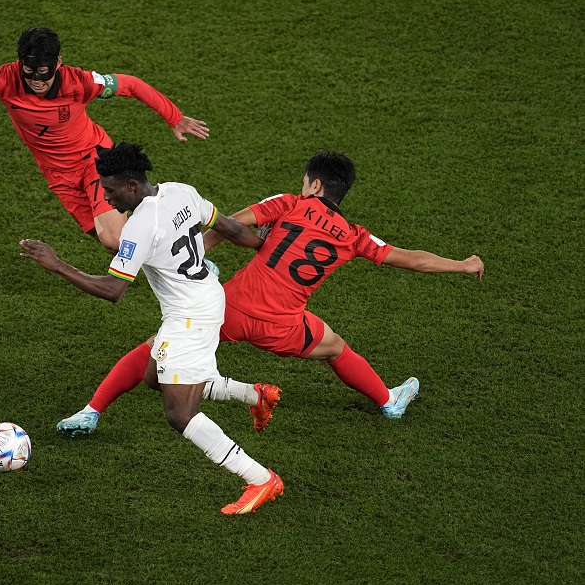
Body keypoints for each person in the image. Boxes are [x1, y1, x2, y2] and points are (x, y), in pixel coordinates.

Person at [56, 150, 486, 435]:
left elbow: (230, 223)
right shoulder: (353, 236)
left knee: (155, 349)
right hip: (285, 326)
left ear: (314, 185)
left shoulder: (289, 203)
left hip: (230, 308)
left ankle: (92, 411)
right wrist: (462, 265)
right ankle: (389, 400)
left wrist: (199, 254)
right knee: (336, 347)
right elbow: (411, 259)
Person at [20, 142, 283, 515]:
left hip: (189, 317)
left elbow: (113, 290)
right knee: (153, 376)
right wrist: (262, 247)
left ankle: (259, 478)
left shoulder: (139, 226)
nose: (106, 199)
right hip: (206, 297)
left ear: (131, 185)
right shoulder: (180, 191)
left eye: (110, 190)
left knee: (180, 415)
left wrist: (58, 264)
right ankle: (253, 395)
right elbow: (228, 227)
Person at [0, 27, 209, 252]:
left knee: (114, 239)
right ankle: (177, 252)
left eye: (44, 71)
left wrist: (175, 117)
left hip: (95, 161)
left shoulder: (79, 83)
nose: (37, 80)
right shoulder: (3, 78)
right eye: (29, 71)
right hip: (59, 177)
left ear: (58, 63)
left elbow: (131, 84)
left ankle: (189, 238)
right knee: (113, 244)